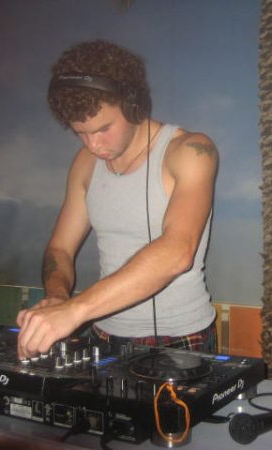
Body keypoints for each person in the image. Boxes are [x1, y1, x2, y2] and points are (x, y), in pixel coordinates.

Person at [16, 40, 218, 358]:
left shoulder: (189, 151)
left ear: (133, 104)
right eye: (81, 133)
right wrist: (57, 298)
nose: (94, 145)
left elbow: (178, 250)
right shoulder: (85, 163)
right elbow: (60, 248)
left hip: (179, 338)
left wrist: (75, 310)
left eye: (103, 129)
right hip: (105, 334)